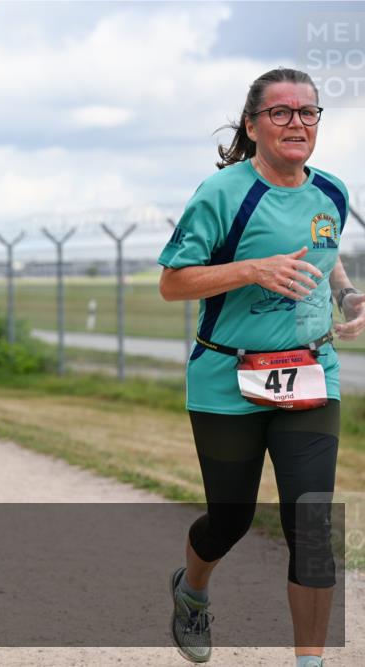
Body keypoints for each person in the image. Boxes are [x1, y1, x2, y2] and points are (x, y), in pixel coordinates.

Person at [159, 68, 363, 667]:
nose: (297, 122)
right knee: (230, 519)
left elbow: (325, 255)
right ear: (252, 126)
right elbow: (173, 283)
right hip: (228, 379)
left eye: (308, 112)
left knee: (312, 523)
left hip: (311, 373)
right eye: (281, 112)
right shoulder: (222, 194)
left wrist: (348, 296)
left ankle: (309, 662)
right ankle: (192, 588)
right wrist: (252, 269)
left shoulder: (332, 192)